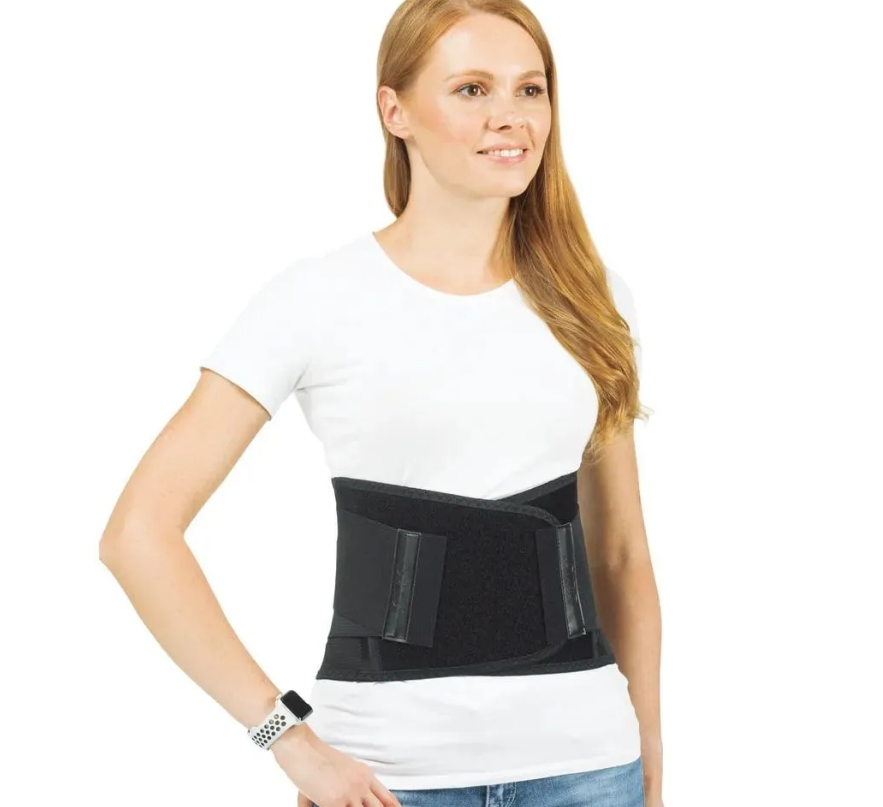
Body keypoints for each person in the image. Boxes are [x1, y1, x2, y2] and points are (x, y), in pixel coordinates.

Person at [98, 1, 663, 806]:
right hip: (389, 777)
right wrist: (287, 741)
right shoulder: (318, 299)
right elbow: (136, 535)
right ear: (393, 110)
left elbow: (620, 555)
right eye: (471, 89)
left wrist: (648, 760)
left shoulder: (593, 297)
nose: (510, 116)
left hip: (587, 767)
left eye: (529, 88)